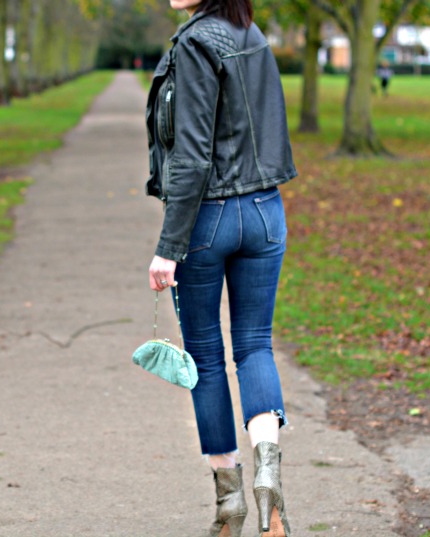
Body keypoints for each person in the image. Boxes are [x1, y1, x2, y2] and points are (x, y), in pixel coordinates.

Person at [144, 1, 297, 536]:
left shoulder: (194, 43)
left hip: (209, 217)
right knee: (255, 344)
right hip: (265, 211)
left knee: (205, 358)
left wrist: (168, 246)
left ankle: (230, 505)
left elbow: (190, 154)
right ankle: (268, 481)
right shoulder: (249, 33)